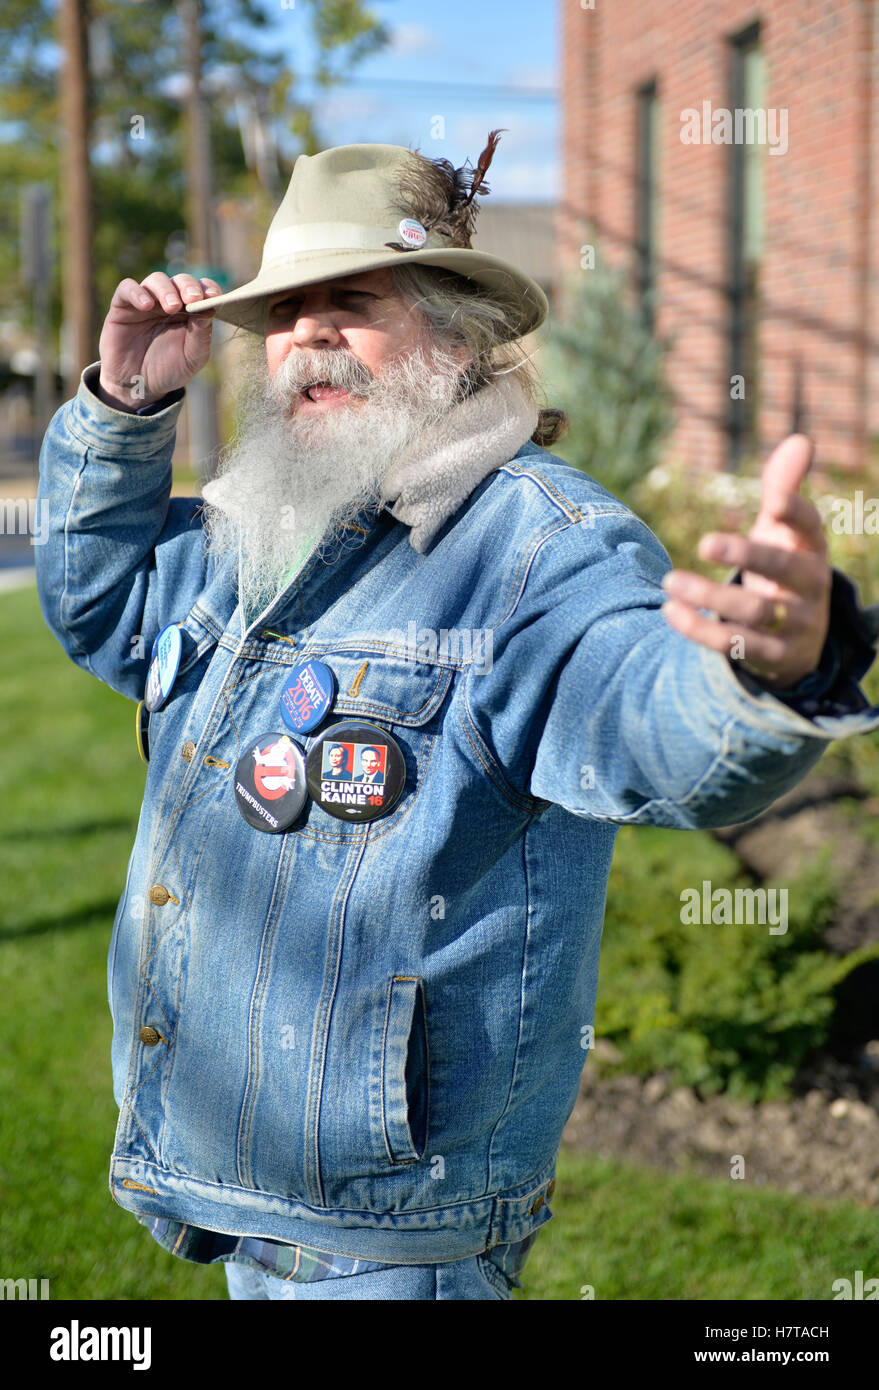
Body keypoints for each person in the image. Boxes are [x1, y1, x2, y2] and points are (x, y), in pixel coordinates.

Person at [36, 134, 879, 1301]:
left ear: (458, 331)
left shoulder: (538, 549)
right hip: (246, 1191)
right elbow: (107, 609)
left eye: (353, 301)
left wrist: (768, 670)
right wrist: (124, 411)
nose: (308, 335)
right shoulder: (261, 520)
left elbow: (641, 719)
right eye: (285, 312)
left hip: (394, 1234)